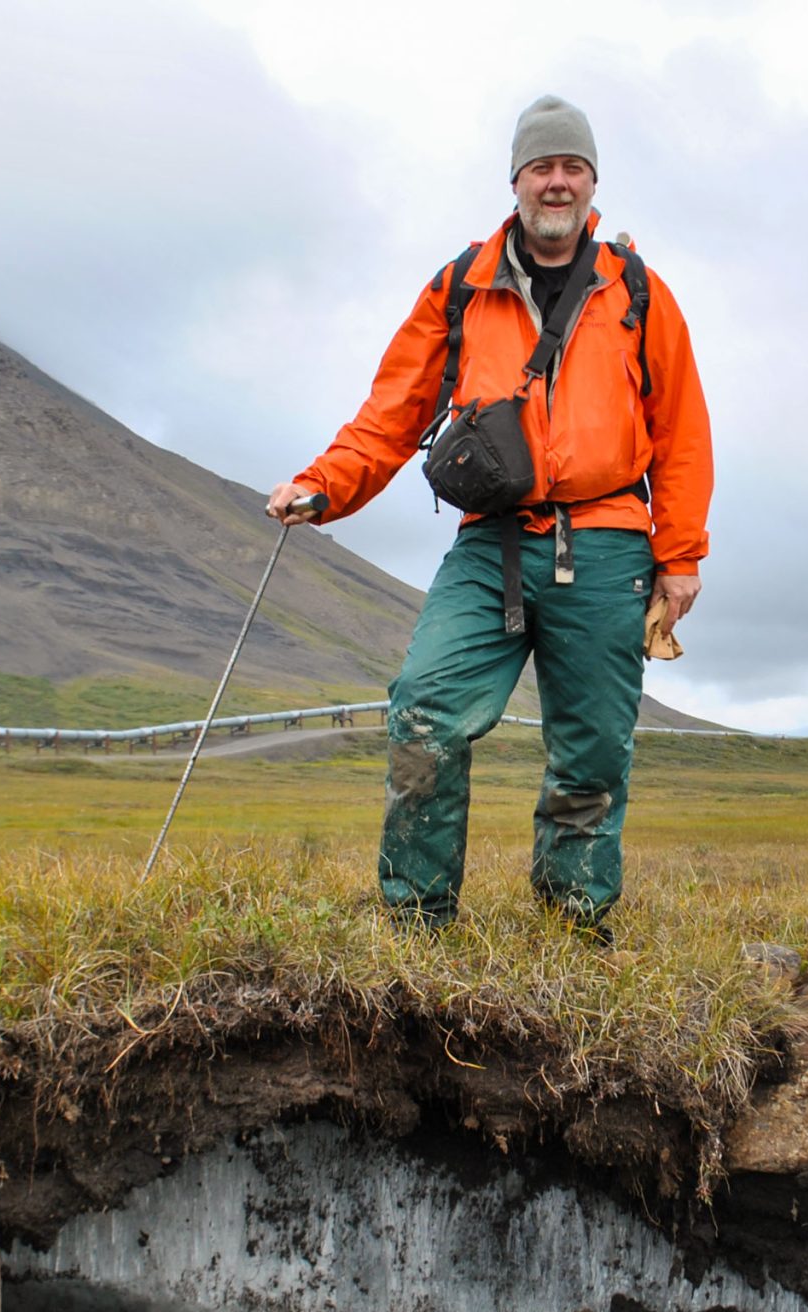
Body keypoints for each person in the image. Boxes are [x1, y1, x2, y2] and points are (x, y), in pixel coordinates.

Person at [266, 94, 713, 939]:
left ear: (593, 182)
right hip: (491, 544)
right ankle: (416, 924)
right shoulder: (460, 288)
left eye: (572, 166)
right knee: (425, 708)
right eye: (541, 167)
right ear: (515, 180)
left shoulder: (638, 291)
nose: (557, 182)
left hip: (609, 544)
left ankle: (572, 928)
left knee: (592, 751)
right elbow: (391, 414)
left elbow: (681, 430)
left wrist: (680, 554)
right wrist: (323, 485)